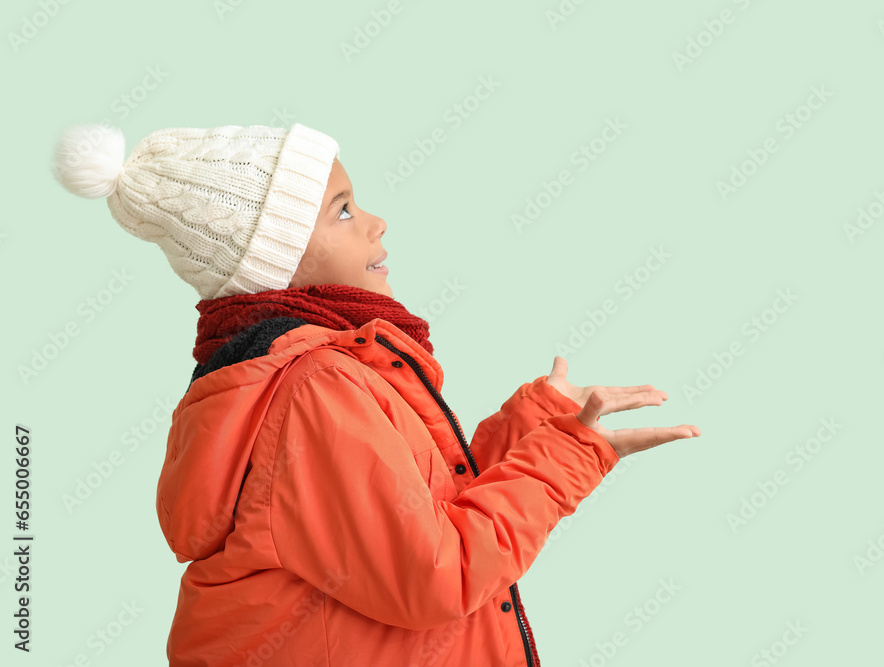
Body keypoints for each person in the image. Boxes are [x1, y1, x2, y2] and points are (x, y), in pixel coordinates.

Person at [52, 121, 702, 666]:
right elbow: (438, 573)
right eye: (343, 208)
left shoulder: (313, 373)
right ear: (274, 263)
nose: (376, 222)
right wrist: (565, 458)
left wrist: (538, 422)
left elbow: (420, 510)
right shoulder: (317, 389)